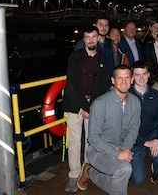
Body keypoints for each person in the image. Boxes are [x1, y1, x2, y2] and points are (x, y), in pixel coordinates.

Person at [79, 64, 141, 195]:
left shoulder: (135, 102)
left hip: (121, 148)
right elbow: (93, 138)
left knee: (121, 177)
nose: (123, 82)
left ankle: (89, 172)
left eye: (127, 78)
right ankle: (91, 169)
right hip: (97, 150)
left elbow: (133, 130)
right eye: (119, 78)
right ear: (113, 80)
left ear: (132, 80)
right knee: (125, 169)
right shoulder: (100, 104)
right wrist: (116, 153)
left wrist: (124, 149)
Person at [62, 25, 110, 192]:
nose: (91, 40)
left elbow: (102, 87)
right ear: (83, 39)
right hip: (75, 104)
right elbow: (72, 85)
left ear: (98, 38)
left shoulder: (103, 59)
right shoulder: (74, 57)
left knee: (91, 142)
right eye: (87, 37)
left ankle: (86, 171)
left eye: (93, 36)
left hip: (94, 106)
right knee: (75, 142)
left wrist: (91, 107)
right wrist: (84, 106)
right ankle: (73, 175)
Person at [129, 61, 158, 185]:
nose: (141, 78)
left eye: (144, 74)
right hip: (134, 140)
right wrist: (144, 142)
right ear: (132, 77)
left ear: (149, 75)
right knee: (138, 181)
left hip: (152, 134)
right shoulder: (126, 96)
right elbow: (124, 128)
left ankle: (156, 169)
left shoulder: (155, 94)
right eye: (137, 75)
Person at [75, 16, 115, 86]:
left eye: (106, 25)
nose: (104, 27)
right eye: (101, 24)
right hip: (93, 88)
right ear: (94, 25)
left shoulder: (111, 43)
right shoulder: (83, 44)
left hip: (111, 86)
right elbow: (77, 68)